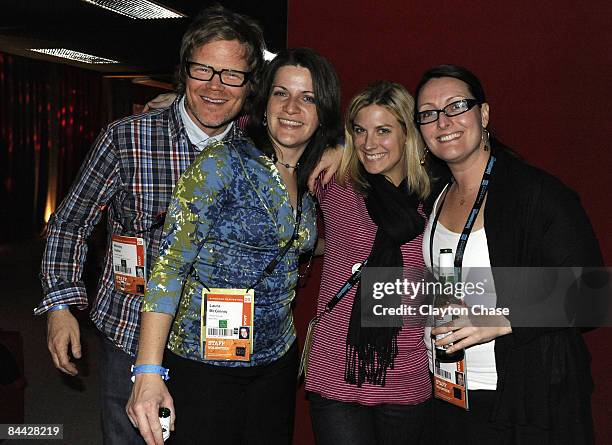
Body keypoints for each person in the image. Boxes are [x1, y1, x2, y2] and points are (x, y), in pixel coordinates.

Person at [36, 6, 266, 444]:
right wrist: (61, 305)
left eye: (232, 74)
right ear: (184, 72)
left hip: (216, 346)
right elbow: (69, 223)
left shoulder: (260, 157)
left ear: (249, 85)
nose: (215, 87)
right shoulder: (126, 139)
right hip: (129, 331)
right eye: (204, 70)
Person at [126, 48, 342, 445]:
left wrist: (342, 148)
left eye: (307, 97)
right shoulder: (222, 162)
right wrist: (148, 372)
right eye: (281, 93)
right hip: (203, 361)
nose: (292, 106)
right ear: (264, 104)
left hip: (277, 359)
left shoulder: (312, 176)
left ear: (322, 110)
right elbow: (169, 268)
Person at [415, 64, 603, 443]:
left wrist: (497, 319)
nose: (442, 121)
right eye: (428, 114)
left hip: (524, 395)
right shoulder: (434, 193)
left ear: (483, 114)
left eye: (456, 106)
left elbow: (591, 293)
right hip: (449, 387)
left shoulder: (537, 193)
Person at [305, 81, 433, 444]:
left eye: (383, 130)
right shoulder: (336, 185)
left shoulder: (435, 199)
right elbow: (278, 131)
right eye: (359, 131)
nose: (369, 143)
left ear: (408, 134)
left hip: (407, 371)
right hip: (335, 368)